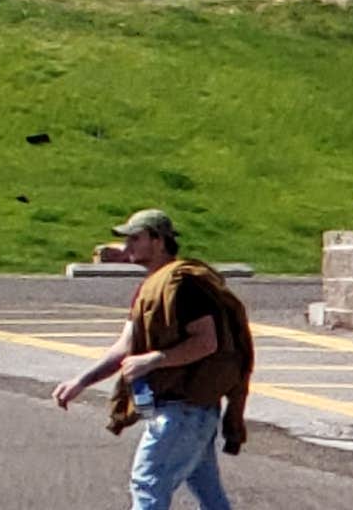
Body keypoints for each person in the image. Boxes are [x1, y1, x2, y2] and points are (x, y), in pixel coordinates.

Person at [54, 208, 254, 510]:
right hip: (187, 411)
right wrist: (81, 381)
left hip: (183, 410)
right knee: (208, 492)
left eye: (136, 238)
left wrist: (153, 361)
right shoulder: (154, 285)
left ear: (158, 241)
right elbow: (125, 346)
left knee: (147, 483)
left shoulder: (182, 285)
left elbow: (206, 341)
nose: (128, 246)